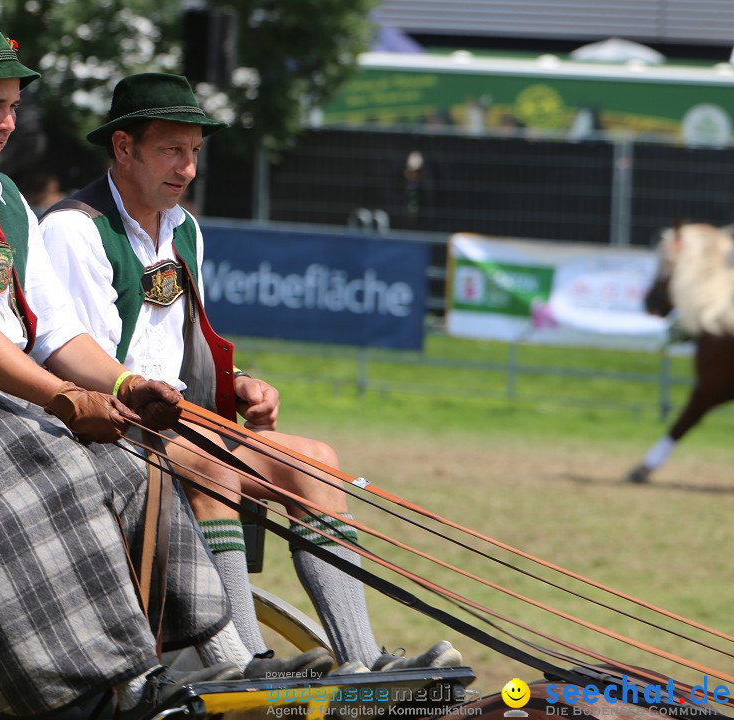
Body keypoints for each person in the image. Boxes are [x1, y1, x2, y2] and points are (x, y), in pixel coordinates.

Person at [0, 24, 329, 720]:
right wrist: (66, 402)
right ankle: (91, 689)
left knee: (134, 463)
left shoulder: (6, 200)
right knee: (56, 459)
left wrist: (127, 388)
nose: (8, 123)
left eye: (13, 106)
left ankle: (224, 665)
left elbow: (52, 333)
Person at [40, 72, 465, 674]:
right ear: (123, 147)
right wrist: (152, 400)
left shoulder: (184, 229)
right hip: (100, 432)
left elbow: (183, 342)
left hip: (178, 426)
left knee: (316, 460)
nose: (186, 168)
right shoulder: (74, 230)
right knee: (216, 462)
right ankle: (247, 661)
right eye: (170, 150)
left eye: (193, 152)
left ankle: (364, 664)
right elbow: (74, 358)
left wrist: (237, 381)